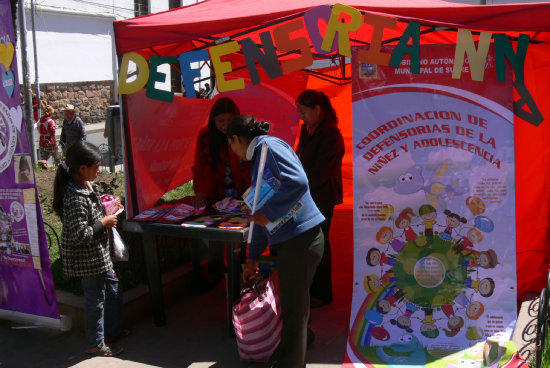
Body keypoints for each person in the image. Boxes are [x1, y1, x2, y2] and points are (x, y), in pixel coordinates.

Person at [227, 115, 325, 368]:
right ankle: (303, 340)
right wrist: (252, 260)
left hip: (302, 240)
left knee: (294, 310)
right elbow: (259, 213)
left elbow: (298, 182)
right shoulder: (259, 157)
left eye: (231, 144)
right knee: (295, 303)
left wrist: (267, 214)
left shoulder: (268, 147)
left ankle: (291, 362)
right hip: (293, 241)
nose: (233, 151)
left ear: (237, 138)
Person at [52, 141, 124, 357]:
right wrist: (103, 222)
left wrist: (107, 209)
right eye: (96, 165)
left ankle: (109, 332)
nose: (99, 169)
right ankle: (96, 344)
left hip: (99, 256)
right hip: (89, 261)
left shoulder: (86, 186)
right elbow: (79, 235)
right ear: (82, 169)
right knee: (95, 302)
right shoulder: (74, 198)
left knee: (112, 289)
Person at [191, 97, 251, 286]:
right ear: (213, 120)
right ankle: (217, 272)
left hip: (240, 192)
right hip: (215, 192)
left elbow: (250, 164)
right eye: (220, 121)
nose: (225, 125)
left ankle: (238, 273)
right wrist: (200, 192)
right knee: (216, 234)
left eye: (230, 120)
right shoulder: (205, 136)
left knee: (238, 234)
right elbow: (199, 166)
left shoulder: (244, 135)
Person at [295, 89, 345, 308]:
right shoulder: (307, 130)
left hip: (322, 196)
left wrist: (300, 186)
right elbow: (300, 157)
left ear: (318, 110)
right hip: (306, 194)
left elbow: (323, 171)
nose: (301, 117)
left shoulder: (331, 133)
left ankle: (323, 292)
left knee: (320, 242)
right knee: (307, 243)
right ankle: (309, 287)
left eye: (304, 112)